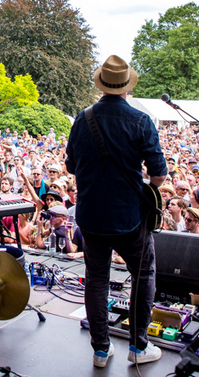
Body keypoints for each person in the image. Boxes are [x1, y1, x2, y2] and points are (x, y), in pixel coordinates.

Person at [66, 55, 168, 367]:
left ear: (102, 85)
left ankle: (100, 350)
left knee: (96, 278)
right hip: (129, 217)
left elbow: (71, 166)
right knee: (143, 274)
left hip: (92, 214)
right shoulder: (140, 121)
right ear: (126, 86)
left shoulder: (82, 120)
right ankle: (138, 346)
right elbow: (159, 175)